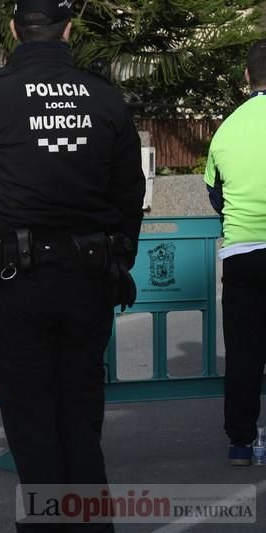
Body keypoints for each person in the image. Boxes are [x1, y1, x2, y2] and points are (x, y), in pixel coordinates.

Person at [0, 1, 144, 531]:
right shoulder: (103, 95)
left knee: (31, 418)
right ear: (69, 29)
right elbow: (130, 189)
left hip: (20, 278)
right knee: (80, 412)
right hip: (89, 275)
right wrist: (121, 258)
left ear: (13, 29)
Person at [204, 39, 266, 467]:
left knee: (244, 352)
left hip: (243, 253)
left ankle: (241, 443)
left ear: (247, 77)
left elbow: (215, 195)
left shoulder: (227, 127)